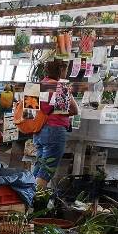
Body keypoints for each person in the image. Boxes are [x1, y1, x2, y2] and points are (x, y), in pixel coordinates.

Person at [33, 59, 78, 189]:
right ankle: (35, 204)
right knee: (46, 171)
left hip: (38, 132)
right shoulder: (59, 87)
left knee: (39, 167)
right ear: (61, 70)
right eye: (65, 69)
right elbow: (75, 110)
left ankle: (26, 199)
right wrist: (66, 91)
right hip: (55, 131)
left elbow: (29, 113)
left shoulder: (35, 86)